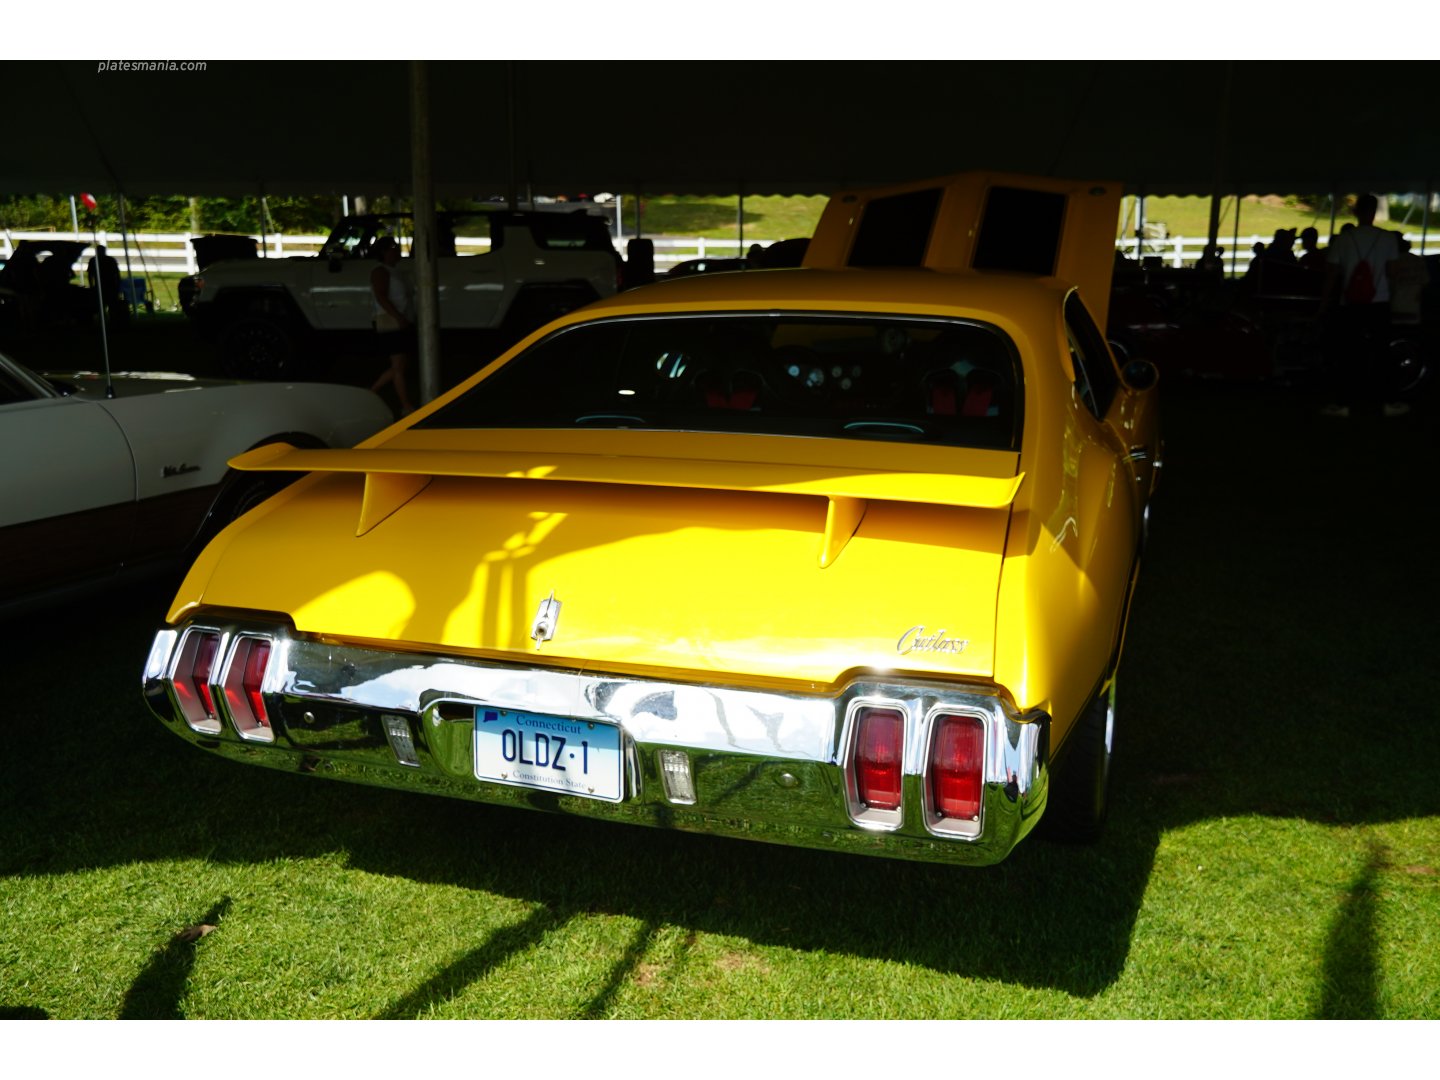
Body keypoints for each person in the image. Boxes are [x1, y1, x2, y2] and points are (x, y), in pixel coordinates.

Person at [1319, 194, 1404, 418]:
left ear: (1355, 212)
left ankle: (1343, 402)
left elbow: (1331, 275)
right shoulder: (1387, 239)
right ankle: (1388, 400)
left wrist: (1324, 302)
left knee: (1347, 353)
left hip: (1350, 302)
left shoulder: (1344, 239)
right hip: (1379, 302)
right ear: (1374, 212)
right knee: (1382, 353)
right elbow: (1393, 274)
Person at [369, 237, 416, 415]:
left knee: (400, 364)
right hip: (391, 323)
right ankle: (406, 405)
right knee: (398, 365)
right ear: (383, 252)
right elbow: (381, 296)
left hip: (400, 321)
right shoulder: (380, 271)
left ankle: (372, 391)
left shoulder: (396, 272)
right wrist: (398, 316)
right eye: (393, 248)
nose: (397, 251)